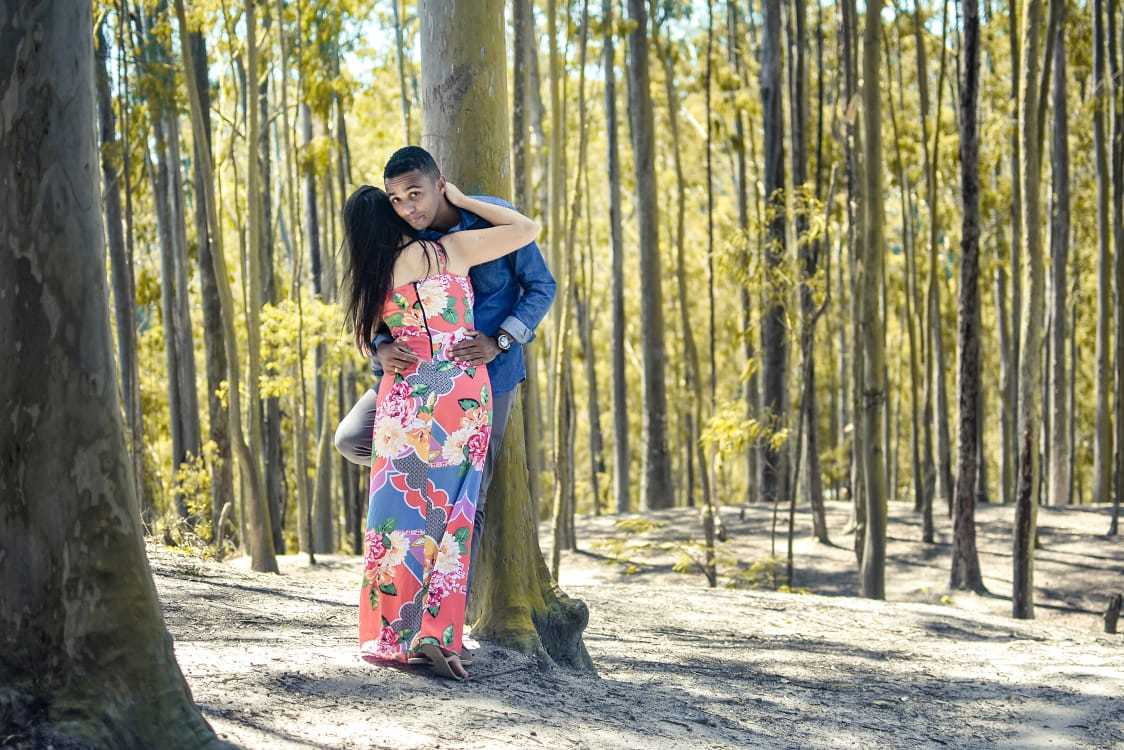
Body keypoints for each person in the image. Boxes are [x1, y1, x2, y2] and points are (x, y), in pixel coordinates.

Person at [335, 146, 556, 630]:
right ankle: (420, 522)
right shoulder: (408, 241)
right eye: (396, 200)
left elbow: (542, 286)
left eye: (416, 195)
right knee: (353, 439)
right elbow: (377, 311)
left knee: (470, 494)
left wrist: (501, 340)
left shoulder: (485, 223)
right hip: (418, 383)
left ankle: (449, 616)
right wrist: (380, 348)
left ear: (440, 185)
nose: (408, 208)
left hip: (488, 373)